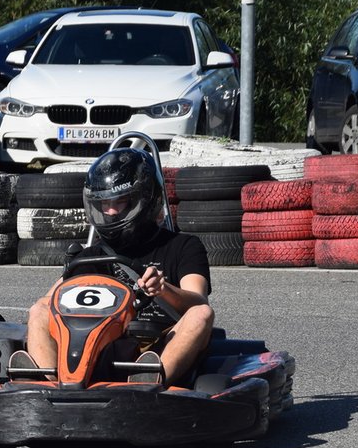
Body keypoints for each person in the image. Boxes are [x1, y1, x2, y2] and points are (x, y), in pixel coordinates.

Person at [18, 147, 215, 385]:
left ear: (145, 199)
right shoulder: (91, 257)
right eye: (104, 204)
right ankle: (48, 383)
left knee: (201, 314)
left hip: (161, 343)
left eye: (119, 202)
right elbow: (51, 301)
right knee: (40, 308)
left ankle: (147, 382)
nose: (110, 212)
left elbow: (198, 301)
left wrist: (164, 290)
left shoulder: (183, 246)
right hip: (98, 346)